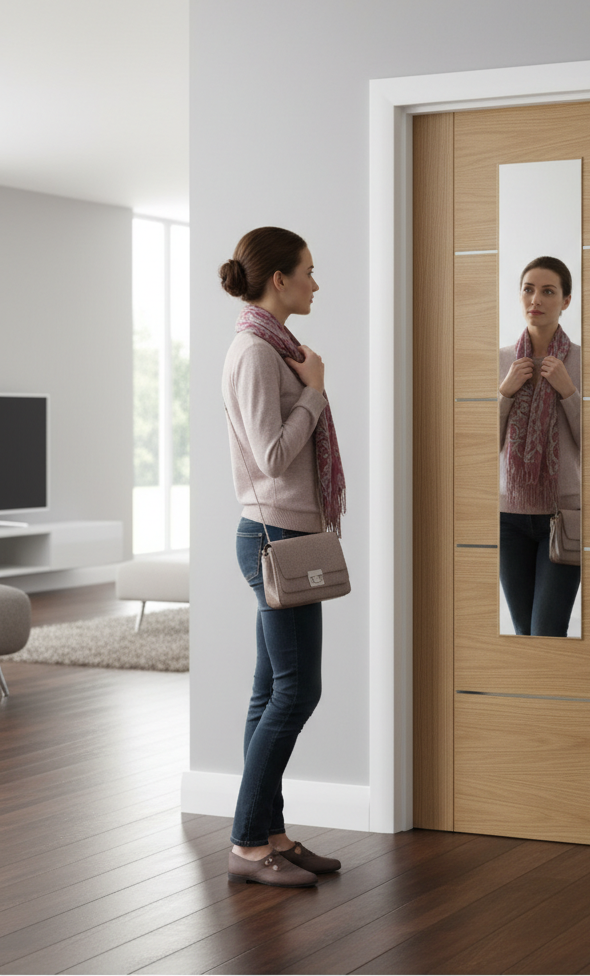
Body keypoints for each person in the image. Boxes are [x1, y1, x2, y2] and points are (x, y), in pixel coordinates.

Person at [220, 226, 345, 887]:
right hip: (275, 537)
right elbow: (271, 458)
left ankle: (270, 831)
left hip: (286, 533)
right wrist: (316, 392)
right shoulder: (255, 353)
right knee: (298, 690)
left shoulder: (274, 348)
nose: (315, 283)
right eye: (309, 272)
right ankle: (246, 843)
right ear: (280, 281)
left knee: (270, 690)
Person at [498, 256, 581, 637]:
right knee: (522, 634)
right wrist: (505, 394)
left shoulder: (583, 362)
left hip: (561, 514)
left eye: (549, 291)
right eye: (529, 289)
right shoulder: (501, 362)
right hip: (508, 516)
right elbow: (480, 447)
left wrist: (568, 392)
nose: (537, 299)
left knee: (546, 631)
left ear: (566, 301)